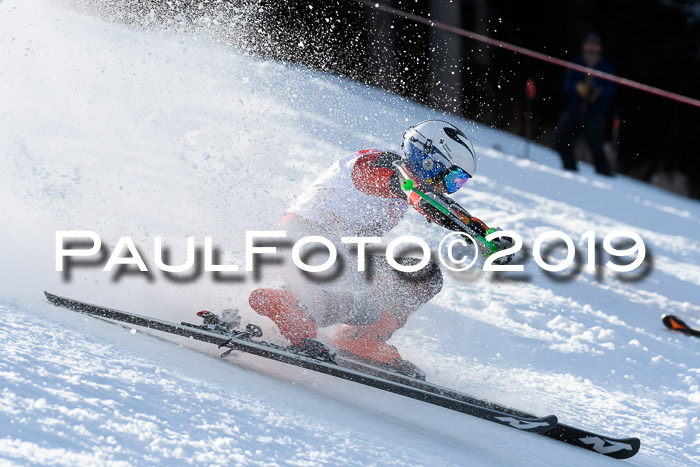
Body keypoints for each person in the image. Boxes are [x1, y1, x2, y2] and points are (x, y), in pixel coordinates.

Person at [247, 120, 510, 377]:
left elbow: (435, 202)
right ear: (429, 160)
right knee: (361, 300)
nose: (449, 189)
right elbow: (417, 194)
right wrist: (474, 232)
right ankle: (289, 304)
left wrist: (484, 233)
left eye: (458, 184)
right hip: (302, 241)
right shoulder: (379, 164)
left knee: (422, 275)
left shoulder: (406, 188)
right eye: (453, 179)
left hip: (338, 254)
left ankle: (359, 339)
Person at [555, 33, 615, 176]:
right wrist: (577, 87)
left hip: (594, 113)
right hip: (575, 109)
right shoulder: (577, 63)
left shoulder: (606, 67)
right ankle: (569, 167)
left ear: (599, 48)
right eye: (589, 44)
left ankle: (604, 173)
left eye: (594, 45)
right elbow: (567, 85)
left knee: (596, 145)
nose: (591, 48)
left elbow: (611, 89)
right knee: (561, 136)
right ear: (584, 46)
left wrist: (598, 92)